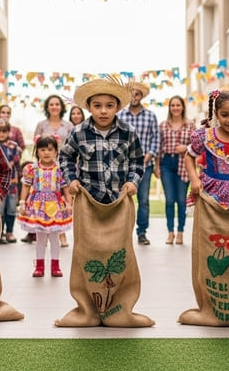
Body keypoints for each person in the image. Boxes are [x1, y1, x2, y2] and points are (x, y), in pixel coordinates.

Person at [59, 78, 143, 211]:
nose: (103, 111)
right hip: (87, 199)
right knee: (85, 232)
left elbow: (137, 160)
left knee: (121, 232)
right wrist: (71, 179)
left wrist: (132, 181)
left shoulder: (128, 132)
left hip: (119, 199)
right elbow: (65, 157)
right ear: (89, 107)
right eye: (97, 106)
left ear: (117, 107)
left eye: (109, 105)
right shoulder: (78, 132)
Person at [17, 134, 73, 277]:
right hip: (37, 206)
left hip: (55, 206)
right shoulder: (32, 169)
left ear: (56, 151)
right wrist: (22, 202)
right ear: (37, 152)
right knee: (40, 237)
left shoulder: (59, 170)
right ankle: (39, 266)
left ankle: (55, 265)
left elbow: (66, 188)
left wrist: (69, 203)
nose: (46, 153)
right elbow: (25, 186)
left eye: (50, 149)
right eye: (42, 149)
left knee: (55, 236)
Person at [30, 94, 73, 246]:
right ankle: (44, 231)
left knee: (61, 198)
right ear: (47, 107)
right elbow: (37, 147)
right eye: (51, 104)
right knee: (47, 199)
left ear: (61, 107)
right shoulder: (41, 125)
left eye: (57, 104)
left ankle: (61, 233)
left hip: (64, 165)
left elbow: (73, 147)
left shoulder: (68, 126)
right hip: (46, 168)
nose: (54, 107)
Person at [119, 80, 158, 245]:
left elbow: (155, 139)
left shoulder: (150, 116)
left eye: (137, 94)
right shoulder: (120, 116)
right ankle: (122, 232)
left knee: (143, 199)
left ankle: (142, 232)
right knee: (123, 199)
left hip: (145, 165)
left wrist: (148, 156)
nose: (134, 97)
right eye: (132, 93)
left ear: (141, 96)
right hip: (124, 165)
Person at [155, 95, 194, 245]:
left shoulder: (190, 125)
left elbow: (197, 146)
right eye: (173, 105)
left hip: (184, 165)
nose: (175, 108)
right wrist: (157, 166)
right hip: (166, 164)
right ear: (169, 108)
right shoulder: (163, 125)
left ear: (183, 107)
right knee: (170, 200)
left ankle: (180, 233)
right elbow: (158, 147)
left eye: (178, 105)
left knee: (182, 201)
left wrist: (186, 148)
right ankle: (170, 232)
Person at [0, 118, 22, 244]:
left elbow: (16, 160)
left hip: (12, 182)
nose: (1, 134)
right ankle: (1, 233)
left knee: (11, 208)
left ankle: (10, 232)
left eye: (4, 131)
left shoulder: (13, 146)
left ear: (9, 131)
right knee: (0, 209)